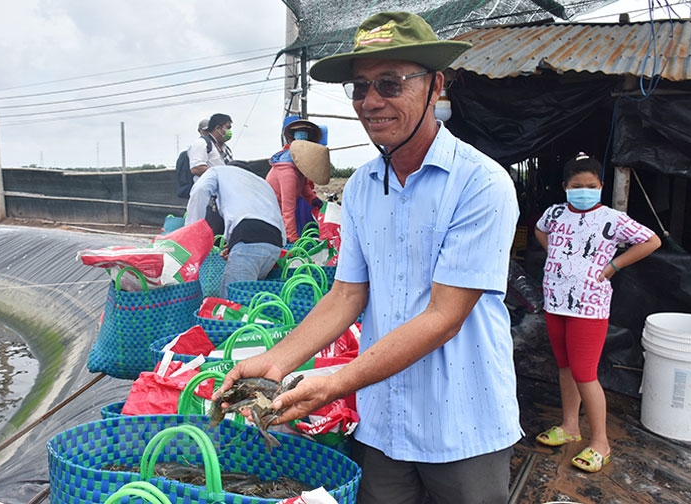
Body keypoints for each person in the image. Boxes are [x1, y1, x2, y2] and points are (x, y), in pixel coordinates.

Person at [216, 12, 522, 504]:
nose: (372, 102)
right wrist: (275, 361)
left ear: (435, 86)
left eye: (390, 83)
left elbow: (444, 317)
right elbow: (346, 294)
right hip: (385, 423)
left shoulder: (480, 184)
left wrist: (334, 384)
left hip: (462, 421)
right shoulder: (361, 188)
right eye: (360, 88)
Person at [534, 153, 661, 473]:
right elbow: (539, 229)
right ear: (565, 187)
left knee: (585, 373)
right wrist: (555, 253)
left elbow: (652, 241)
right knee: (564, 366)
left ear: (601, 186)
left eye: (591, 185)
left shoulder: (612, 219)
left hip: (589, 308)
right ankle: (570, 426)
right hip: (555, 301)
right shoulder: (556, 213)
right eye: (577, 186)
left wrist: (613, 265)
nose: (584, 190)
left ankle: (601, 443)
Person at [184, 161, 286, 298]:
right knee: (250, 303)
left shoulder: (218, 171)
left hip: (249, 235)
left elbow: (200, 190)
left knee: (231, 305)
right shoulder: (262, 183)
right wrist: (234, 246)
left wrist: (190, 234)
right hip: (275, 244)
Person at [266, 119, 330, 242]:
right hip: (273, 216)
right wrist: (293, 239)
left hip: (281, 215)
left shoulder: (299, 166)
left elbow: (304, 186)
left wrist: (314, 200)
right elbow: (287, 209)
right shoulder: (287, 172)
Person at [188, 113, 233, 178]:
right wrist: (221, 173)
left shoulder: (226, 148)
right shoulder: (202, 143)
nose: (229, 131)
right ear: (218, 128)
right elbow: (196, 168)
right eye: (228, 128)